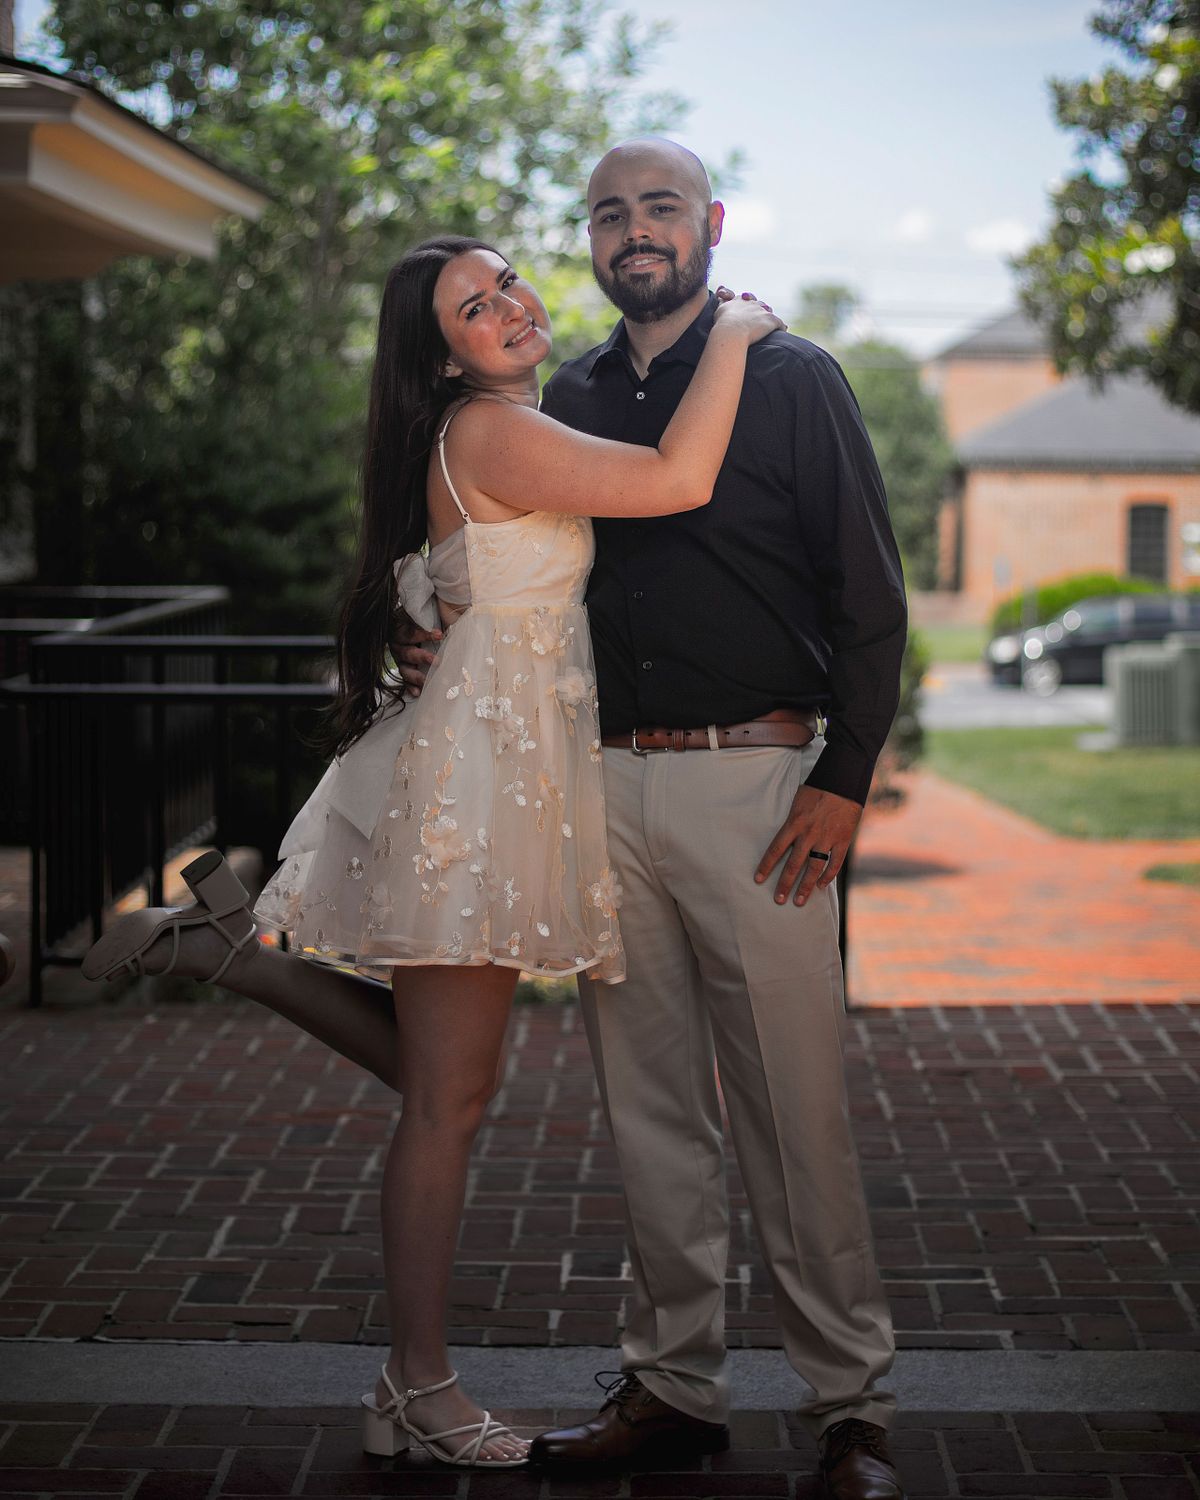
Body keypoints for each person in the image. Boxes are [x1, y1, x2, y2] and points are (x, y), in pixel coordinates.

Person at [81, 234, 781, 1469]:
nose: (508, 307)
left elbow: (455, 575)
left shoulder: (491, 427)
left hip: (493, 770)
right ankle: (416, 1388)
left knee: (445, 1085)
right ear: (439, 348)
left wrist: (417, 610)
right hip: (479, 787)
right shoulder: (489, 431)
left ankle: (231, 948)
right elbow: (678, 479)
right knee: (446, 1105)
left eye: (507, 280)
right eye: (473, 305)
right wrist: (732, 327)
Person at [399, 139, 909, 1500]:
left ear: (709, 225)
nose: (637, 232)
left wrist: (847, 778)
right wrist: (424, 626)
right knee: (651, 1107)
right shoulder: (558, 394)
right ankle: (675, 1384)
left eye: (661, 208)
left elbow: (871, 595)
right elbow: (515, 569)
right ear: (592, 236)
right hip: (602, 783)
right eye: (611, 213)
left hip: (760, 787)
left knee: (796, 1109)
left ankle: (850, 1407)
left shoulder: (791, 377)